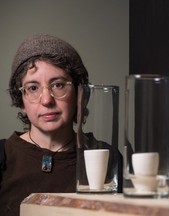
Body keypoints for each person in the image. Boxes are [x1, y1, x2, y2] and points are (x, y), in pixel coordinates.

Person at [0, 34, 122, 216]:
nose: (47, 100)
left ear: (80, 95)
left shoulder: (108, 158)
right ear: (21, 102)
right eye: (33, 88)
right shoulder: (3, 155)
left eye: (58, 85)